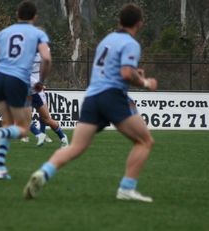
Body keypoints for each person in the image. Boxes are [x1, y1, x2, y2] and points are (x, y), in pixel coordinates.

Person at [23, 3, 157, 202]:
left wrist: (133, 74)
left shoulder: (107, 40)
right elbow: (126, 73)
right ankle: (127, 189)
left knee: (76, 147)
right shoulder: (131, 44)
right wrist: (145, 82)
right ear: (140, 23)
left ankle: (43, 173)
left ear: (119, 21)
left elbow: (112, 68)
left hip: (92, 97)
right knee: (144, 141)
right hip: (112, 96)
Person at [0, 0, 51, 179]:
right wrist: (41, 81)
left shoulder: (3, 33)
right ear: (35, 16)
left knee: (7, 123)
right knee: (22, 128)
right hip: (18, 80)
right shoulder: (38, 34)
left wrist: (1, 73)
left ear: (17, 15)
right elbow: (46, 58)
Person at [25, 53, 69, 147]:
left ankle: (63, 137)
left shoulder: (40, 52)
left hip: (36, 92)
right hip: (26, 91)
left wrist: (39, 83)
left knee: (46, 119)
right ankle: (39, 134)